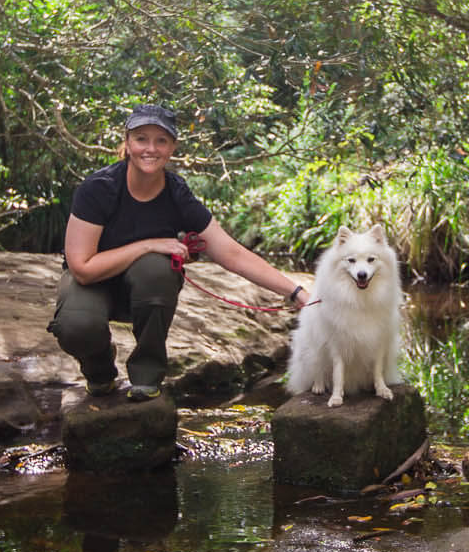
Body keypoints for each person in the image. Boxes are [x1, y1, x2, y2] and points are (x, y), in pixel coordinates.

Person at [48, 104, 308, 401]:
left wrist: (296, 292)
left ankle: (147, 376)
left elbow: (232, 254)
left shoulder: (177, 195)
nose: (151, 149)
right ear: (128, 143)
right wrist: (149, 244)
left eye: (161, 140)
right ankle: (100, 371)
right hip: (92, 284)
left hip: (144, 291)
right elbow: (82, 267)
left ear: (172, 147)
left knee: (157, 271)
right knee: (76, 326)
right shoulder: (99, 188)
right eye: (142, 138)